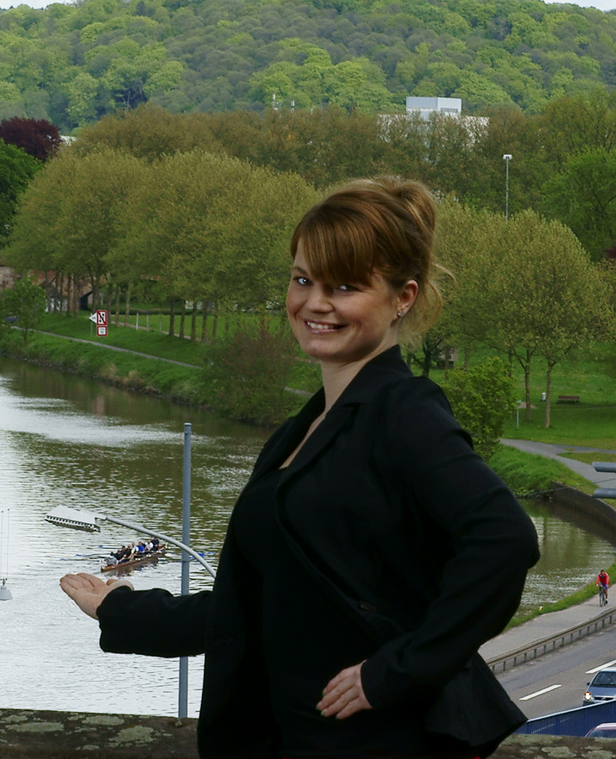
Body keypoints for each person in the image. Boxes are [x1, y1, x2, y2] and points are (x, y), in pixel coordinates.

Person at [60, 177, 539, 759]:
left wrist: (394, 672)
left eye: (345, 286)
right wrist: (124, 610)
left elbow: (505, 540)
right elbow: (260, 604)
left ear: (403, 297)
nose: (315, 302)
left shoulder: (402, 411)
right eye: (303, 279)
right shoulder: (305, 428)